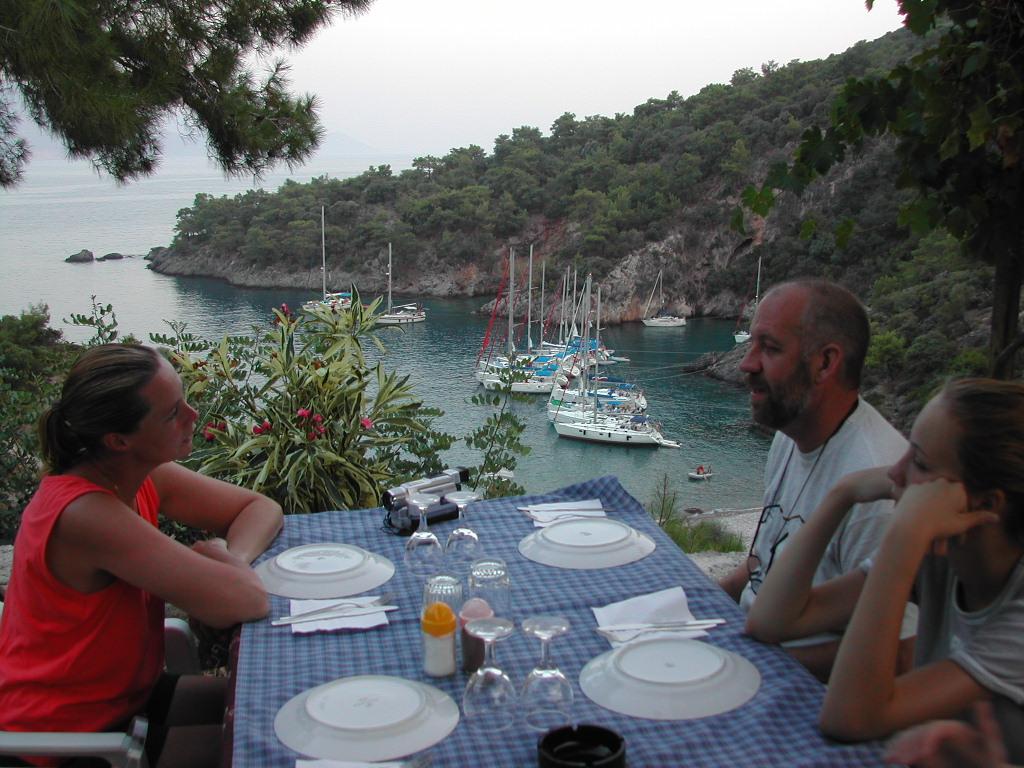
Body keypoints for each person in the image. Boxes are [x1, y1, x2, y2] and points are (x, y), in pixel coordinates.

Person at [0, 344, 283, 767]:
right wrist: (229, 577)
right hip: (63, 742)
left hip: (128, 703)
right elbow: (247, 601)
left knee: (278, 702)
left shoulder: (136, 475)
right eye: (172, 413)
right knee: (264, 745)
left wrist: (232, 559)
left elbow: (260, 509)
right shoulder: (86, 514)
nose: (192, 414)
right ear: (119, 440)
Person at [746, 379, 1024, 763]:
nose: (895, 472)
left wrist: (902, 537)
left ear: (984, 503)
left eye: (921, 463)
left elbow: (849, 716)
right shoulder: (944, 560)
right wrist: (840, 494)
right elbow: (770, 620)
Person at [717, 279, 907, 679]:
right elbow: (761, 560)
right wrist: (695, 602)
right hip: (749, 646)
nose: (746, 364)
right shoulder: (791, 434)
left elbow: (897, 649)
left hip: (798, 690)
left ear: (825, 362)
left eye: (769, 348)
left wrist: (753, 668)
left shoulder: (879, 484)